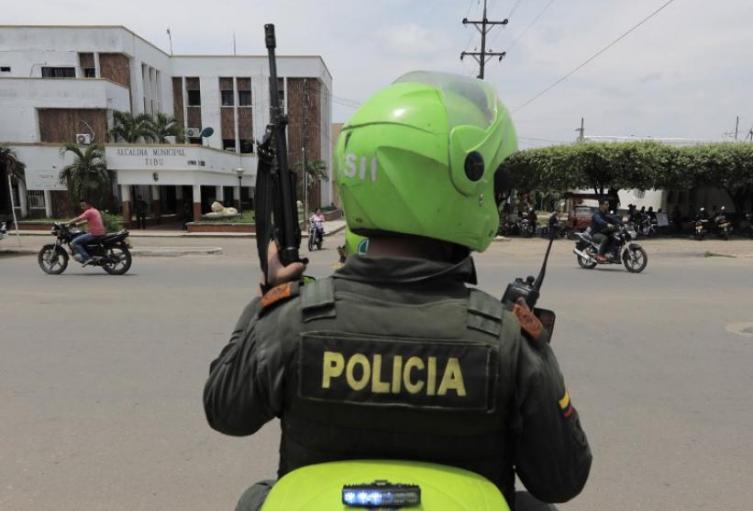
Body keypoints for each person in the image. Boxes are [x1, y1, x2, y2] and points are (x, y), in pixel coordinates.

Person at [203, 72, 591, 511]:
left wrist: (268, 301)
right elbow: (562, 477)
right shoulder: (506, 337)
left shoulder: (292, 319)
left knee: (256, 500)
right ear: (465, 180)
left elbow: (225, 411)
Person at [68, 198, 106, 265]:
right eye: (81, 206)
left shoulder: (89, 212)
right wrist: (78, 224)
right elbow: (87, 220)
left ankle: (87, 258)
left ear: (88, 205)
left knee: (74, 242)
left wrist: (66, 223)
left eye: (83, 205)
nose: (82, 207)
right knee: (83, 236)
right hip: (100, 232)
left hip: (94, 234)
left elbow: (79, 218)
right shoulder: (95, 210)